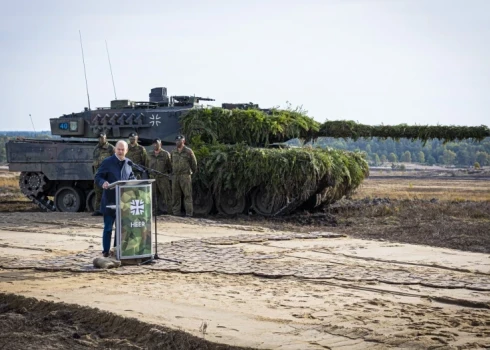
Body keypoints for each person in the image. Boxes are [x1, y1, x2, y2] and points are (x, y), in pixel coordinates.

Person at [94, 140, 135, 257]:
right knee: (108, 228)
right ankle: (106, 251)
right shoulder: (107, 162)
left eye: (123, 150)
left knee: (120, 228)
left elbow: (131, 178)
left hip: (123, 202)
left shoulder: (129, 163)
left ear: (126, 151)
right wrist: (103, 183)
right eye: (119, 149)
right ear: (115, 150)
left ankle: (117, 250)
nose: (121, 151)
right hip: (109, 201)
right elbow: (98, 176)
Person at [171, 135, 197, 217]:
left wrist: (191, 172)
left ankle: (189, 213)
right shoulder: (173, 151)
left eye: (180, 141)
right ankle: (176, 213)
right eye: (176, 141)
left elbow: (194, 164)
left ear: (183, 141)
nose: (178, 142)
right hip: (175, 176)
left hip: (185, 176)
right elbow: (171, 162)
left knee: (187, 195)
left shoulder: (188, 151)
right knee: (175, 195)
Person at [91, 132, 115, 216]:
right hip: (99, 173)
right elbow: (94, 161)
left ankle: (109, 209)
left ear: (106, 138)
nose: (102, 139)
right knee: (98, 192)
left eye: (103, 137)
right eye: (100, 138)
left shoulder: (111, 148)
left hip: (108, 173)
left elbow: (114, 160)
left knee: (109, 192)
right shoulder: (96, 148)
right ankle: (98, 210)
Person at [147, 138, 172, 214]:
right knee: (153, 196)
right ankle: (154, 211)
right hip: (153, 178)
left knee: (167, 195)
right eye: (154, 144)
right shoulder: (149, 154)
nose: (155, 145)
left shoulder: (165, 154)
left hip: (163, 177)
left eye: (156, 143)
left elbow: (170, 166)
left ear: (160, 144)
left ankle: (170, 212)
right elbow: (146, 164)